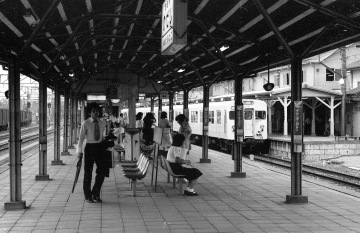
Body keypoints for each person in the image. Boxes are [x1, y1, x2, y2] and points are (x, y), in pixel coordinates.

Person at [76, 102, 107, 203]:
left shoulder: (102, 123)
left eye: (97, 111)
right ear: (90, 112)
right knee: (88, 172)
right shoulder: (86, 123)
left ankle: (95, 193)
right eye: (93, 111)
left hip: (99, 148)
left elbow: (102, 136)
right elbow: (81, 138)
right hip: (89, 148)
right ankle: (88, 195)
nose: (96, 112)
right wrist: (79, 151)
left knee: (101, 172)